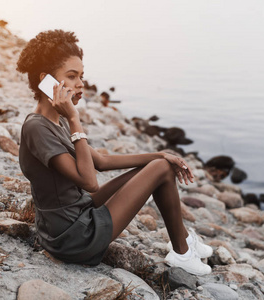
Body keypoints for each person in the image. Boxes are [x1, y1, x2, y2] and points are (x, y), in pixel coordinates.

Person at [16, 30, 212, 276]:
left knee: (159, 166)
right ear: (47, 81)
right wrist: (75, 119)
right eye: (71, 76)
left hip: (73, 219)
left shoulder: (57, 121)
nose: (80, 84)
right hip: (73, 237)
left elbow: (102, 161)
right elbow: (90, 182)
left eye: (81, 76)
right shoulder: (38, 127)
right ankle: (183, 254)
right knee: (160, 169)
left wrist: (160, 154)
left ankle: (183, 241)